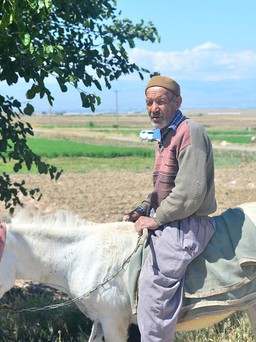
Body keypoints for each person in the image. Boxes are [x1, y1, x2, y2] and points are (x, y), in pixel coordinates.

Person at [123, 75, 217, 341]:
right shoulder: (165, 134)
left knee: (155, 290)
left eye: (161, 102)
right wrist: (142, 209)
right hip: (171, 217)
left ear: (177, 102)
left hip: (187, 224)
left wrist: (156, 219)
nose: (154, 108)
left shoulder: (190, 131)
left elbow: (191, 192)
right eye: (149, 103)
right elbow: (161, 189)